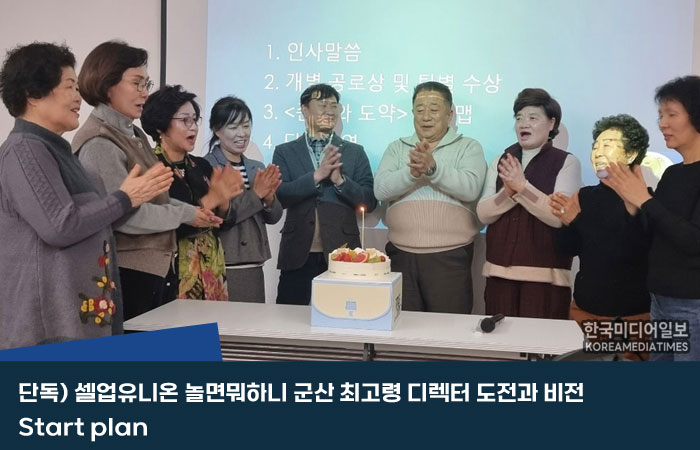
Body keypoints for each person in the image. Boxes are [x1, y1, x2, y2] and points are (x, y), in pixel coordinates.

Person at [0, 43, 173, 349]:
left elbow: (91, 222)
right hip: (47, 332)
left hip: (76, 324)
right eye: (70, 87)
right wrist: (125, 198)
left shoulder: (55, 149)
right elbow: (60, 226)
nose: (79, 97)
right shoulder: (25, 149)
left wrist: (133, 197)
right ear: (33, 95)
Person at [72, 41, 223, 320]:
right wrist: (187, 214)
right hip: (126, 272)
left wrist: (192, 211)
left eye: (147, 83)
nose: (145, 92)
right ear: (107, 85)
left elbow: (154, 199)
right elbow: (125, 216)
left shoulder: (133, 133)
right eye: (137, 83)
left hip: (152, 270)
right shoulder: (100, 143)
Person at [603, 76, 700, 361]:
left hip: (693, 305)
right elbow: (653, 235)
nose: (662, 124)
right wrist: (632, 206)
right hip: (660, 300)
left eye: (672, 114)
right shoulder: (672, 173)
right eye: (660, 115)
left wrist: (645, 200)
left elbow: (694, 240)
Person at [374, 81, 486, 313]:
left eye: (434, 109)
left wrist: (433, 169)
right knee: (404, 326)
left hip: (450, 257)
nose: (426, 117)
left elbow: (471, 188)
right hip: (401, 255)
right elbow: (380, 190)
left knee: (448, 328)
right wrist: (412, 174)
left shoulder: (468, 147)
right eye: (419, 109)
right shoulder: (396, 148)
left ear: (450, 114)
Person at [551, 114, 651, 360]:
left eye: (607, 146)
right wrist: (564, 223)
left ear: (631, 154)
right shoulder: (585, 196)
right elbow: (567, 249)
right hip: (584, 311)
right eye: (595, 147)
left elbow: (626, 251)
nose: (597, 153)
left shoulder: (646, 199)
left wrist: (577, 221)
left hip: (631, 317)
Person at [476, 88, 582, 319]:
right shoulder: (501, 160)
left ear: (552, 123)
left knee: (541, 340)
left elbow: (558, 216)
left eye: (533, 118)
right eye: (519, 118)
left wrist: (523, 188)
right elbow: (483, 214)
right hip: (499, 274)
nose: (524, 123)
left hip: (546, 278)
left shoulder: (567, 162)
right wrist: (510, 192)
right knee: (500, 338)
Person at [272, 83, 376, 305]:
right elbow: (280, 196)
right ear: (305, 109)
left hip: (343, 252)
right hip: (298, 251)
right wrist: (316, 176)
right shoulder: (285, 151)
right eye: (322, 104)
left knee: (342, 314)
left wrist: (340, 181)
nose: (330, 110)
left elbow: (369, 200)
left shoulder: (355, 152)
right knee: (288, 316)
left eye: (334, 105)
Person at [141, 85, 244, 300]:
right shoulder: (150, 167)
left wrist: (224, 203)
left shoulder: (201, 166)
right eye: (185, 120)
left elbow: (223, 223)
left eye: (195, 120)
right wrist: (211, 199)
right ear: (160, 126)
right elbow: (163, 225)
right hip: (172, 274)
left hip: (211, 271)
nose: (194, 128)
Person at [204, 96, 282, 302]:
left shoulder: (257, 167)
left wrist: (269, 200)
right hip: (223, 262)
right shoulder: (207, 166)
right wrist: (256, 195)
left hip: (254, 261)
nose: (242, 133)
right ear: (217, 130)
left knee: (253, 321)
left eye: (246, 126)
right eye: (233, 127)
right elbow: (220, 217)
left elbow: (274, 217)